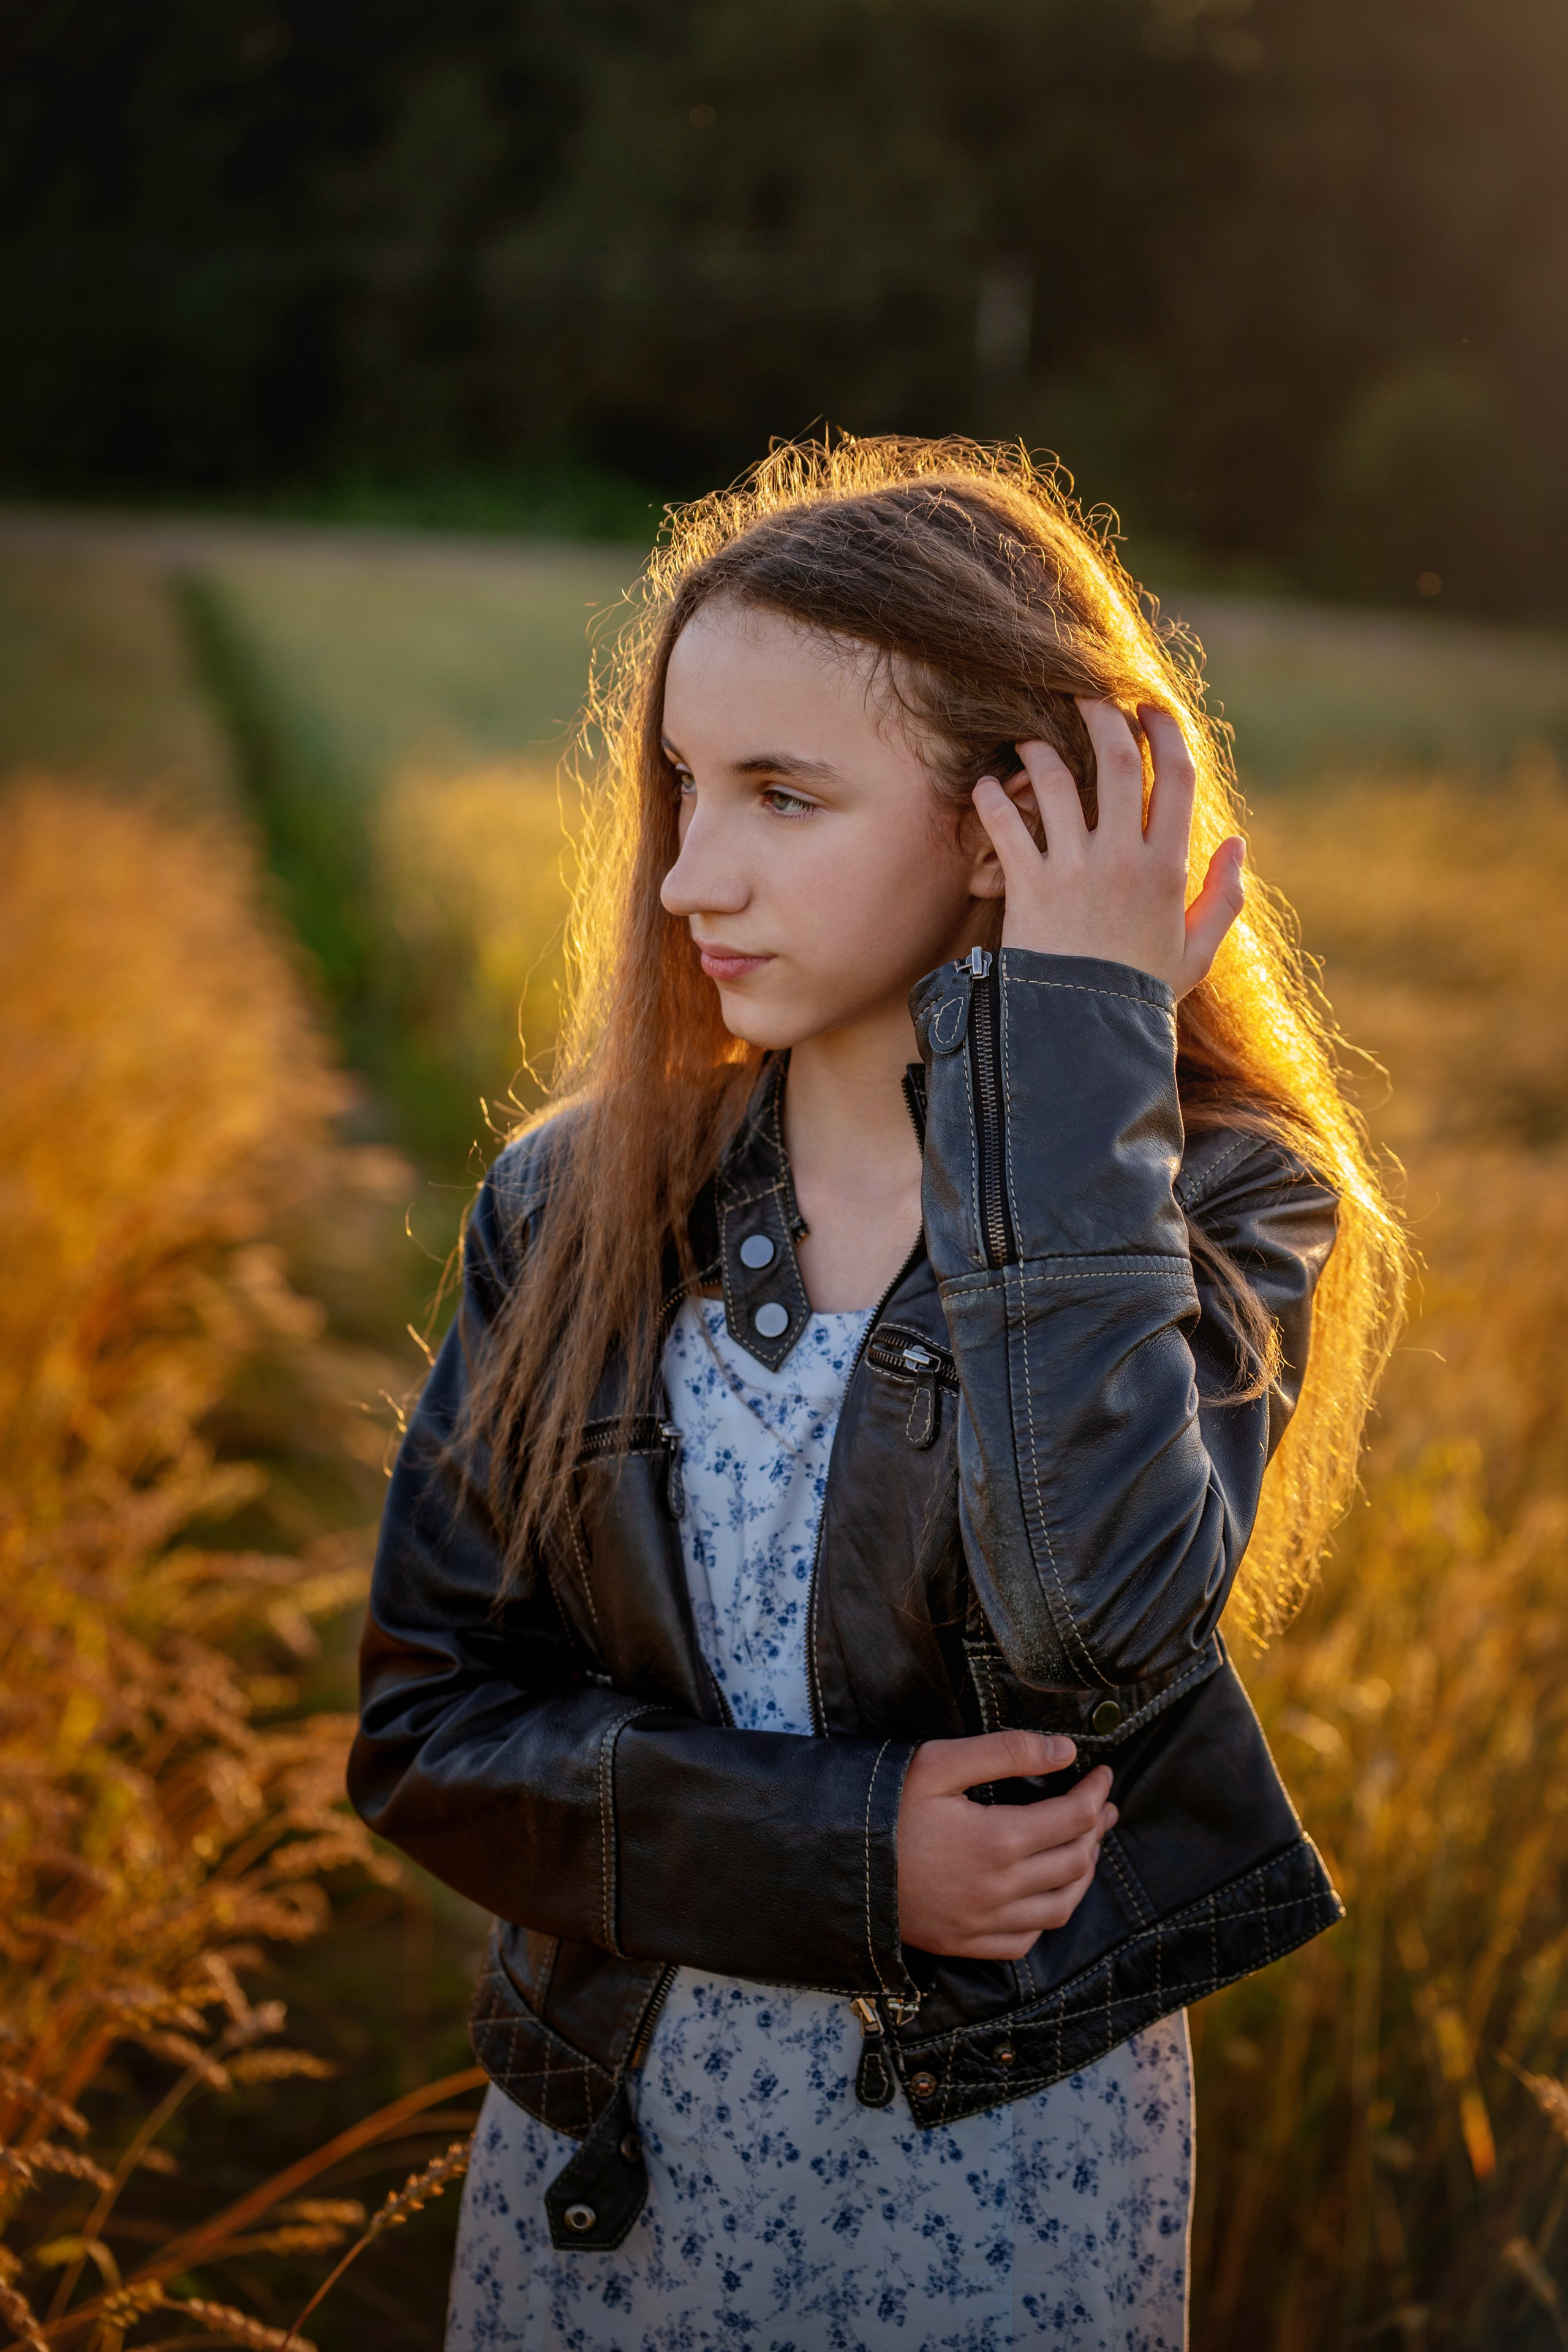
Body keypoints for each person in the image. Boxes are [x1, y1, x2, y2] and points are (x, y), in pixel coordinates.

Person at [349, 437, 1406, 2350]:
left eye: (783, 795)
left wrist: (1075, 1073)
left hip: (1002, 2193)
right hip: (620, 2157)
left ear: (1018, 821)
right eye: (684, 786)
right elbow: (429, 1735)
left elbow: (1095, 1621)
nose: (691, 868)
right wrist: (852, 1859)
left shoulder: (1223, 1197)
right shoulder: (577, 1208)